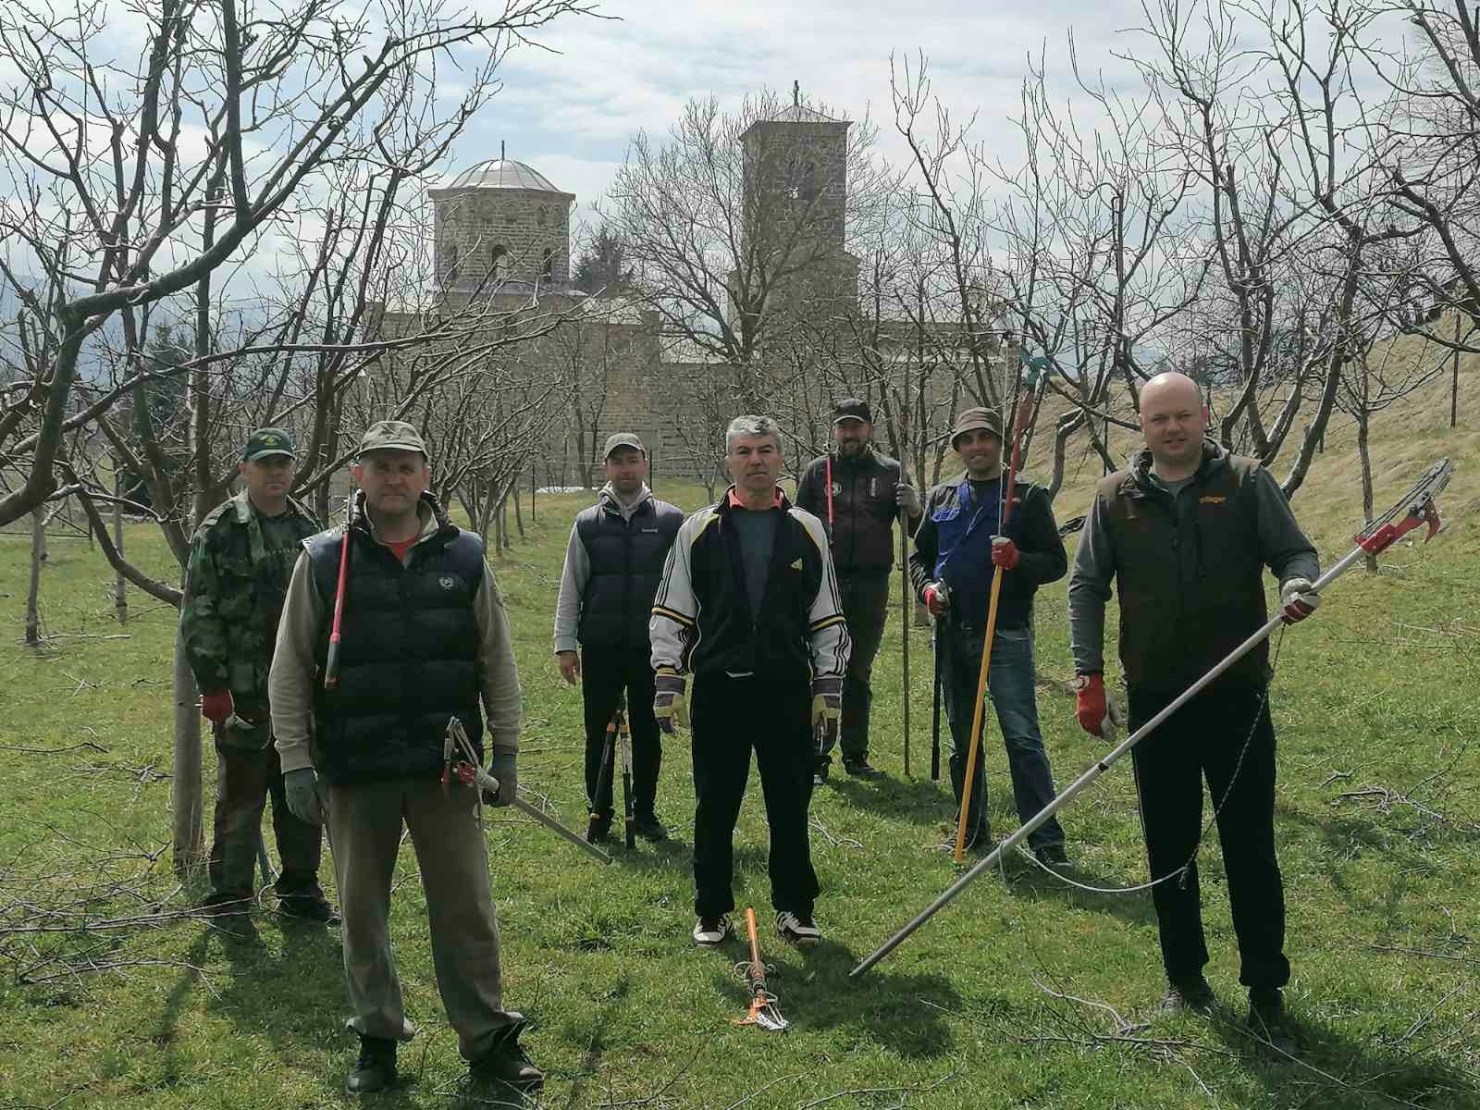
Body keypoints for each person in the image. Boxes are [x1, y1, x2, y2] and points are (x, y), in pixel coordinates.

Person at [269, 420, 542, 1096]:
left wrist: (504, 754)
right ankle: (378, 1038)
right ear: (356, 476)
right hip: (355, 770)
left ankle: (486, 1041)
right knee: (362, 913)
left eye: (405, 467)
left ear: (425, 476)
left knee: (466, 910)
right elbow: (288, 670)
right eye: (380, 466)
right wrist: (296, 762)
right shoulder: (323, 559)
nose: (393, 479)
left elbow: (497, 664)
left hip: (444, 768)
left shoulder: (465, 557)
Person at [1067, 371, 1320, 1047]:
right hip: (1157, 701)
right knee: (1169, 847)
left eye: (1183, 416)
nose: (1172, 428)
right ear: (1142, 428)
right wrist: (1087, 675)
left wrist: (1299, 581)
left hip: (1236, 697)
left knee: (1249, 847)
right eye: (1158, 419)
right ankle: (1186, 978)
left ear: (1204, 417)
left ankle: (1266, 987)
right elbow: (1086, 586)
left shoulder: (1245, 482)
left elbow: (1294, 550)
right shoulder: (1115, 498)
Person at [650, 415, 851, 948]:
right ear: (729, 462)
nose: (755, 460)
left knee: (790, 801)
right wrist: (667, 678)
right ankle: (712, 909)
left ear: (781, 458)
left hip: (786, 687)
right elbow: (672, 609)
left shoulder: (807, 529)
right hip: (719, 688)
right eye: (744, 451)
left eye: (765, 450)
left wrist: (828, 687)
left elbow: (827, 613)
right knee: (714, 804)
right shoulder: (698, 529)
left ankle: (795, 907)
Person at [179, 427, 335, 923]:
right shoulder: (220, 527)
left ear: (293, 470)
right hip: (242, 690)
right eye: (264, 464)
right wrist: (213, 685)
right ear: (244, 469)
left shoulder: (310, 529)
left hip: (299, 691)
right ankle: (230, 897)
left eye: (282, 464)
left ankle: (300, 892)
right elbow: (199, 609)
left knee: (299, 789)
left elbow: (330, 607)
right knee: (241, 796)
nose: (274, 473)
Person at [909, 407, 1070, 865]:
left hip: (1006, 634)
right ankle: (971, 827)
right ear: (957, 448)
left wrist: (1019, 560)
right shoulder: (941, 497)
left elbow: (1055, 563)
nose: (977, 446)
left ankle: (1044, 838)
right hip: (952, 633)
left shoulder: (1025, 496)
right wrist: (926, 589)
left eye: (985, 438)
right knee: (965, 738)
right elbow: (920, 557)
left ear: (1000, 444)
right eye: (967, 439)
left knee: (1022, 737)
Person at [554, 432, 683, 842]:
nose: (625, 469)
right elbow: (571, 586)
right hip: (602, 645)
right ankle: (599, 812)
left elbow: (685, 586)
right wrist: (565, 644)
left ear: (645, 463)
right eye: (617, 462)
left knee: (648, 731)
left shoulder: (670, 520)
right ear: (606, 468)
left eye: (632, 460)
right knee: (598, 732)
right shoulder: (587, 523)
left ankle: (644, 813)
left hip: (652, 648)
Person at [796, 398, 922, 782]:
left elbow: (918, 533)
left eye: (856, 426)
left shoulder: (891, 472)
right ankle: (816, 756)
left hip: (870, 586)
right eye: (843, 427)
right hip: (823, 585)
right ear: (834, 430)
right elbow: (796, 527)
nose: (849, 433)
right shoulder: (817, 472)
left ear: (869, 429)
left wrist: (914, 508)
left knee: (858, 670)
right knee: (820, 668)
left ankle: (856, 754)